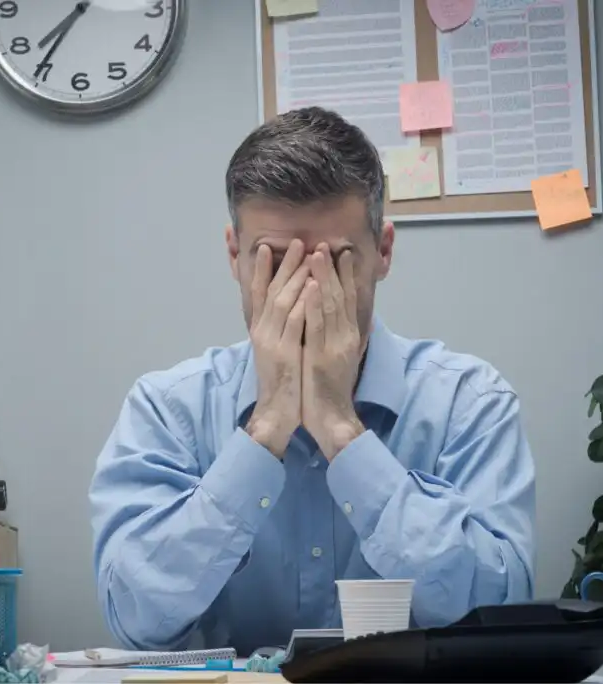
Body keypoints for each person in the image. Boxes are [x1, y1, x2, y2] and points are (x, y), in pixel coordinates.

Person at [89, 107, 536, 655]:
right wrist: (266, 428)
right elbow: (136, 618)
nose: (303, 289)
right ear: (234, 255)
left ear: (384, 252)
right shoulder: (167, 409)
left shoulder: (469, 402)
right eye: (273, 262)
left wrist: (342, 431)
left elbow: (500, 615)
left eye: (335, 262)